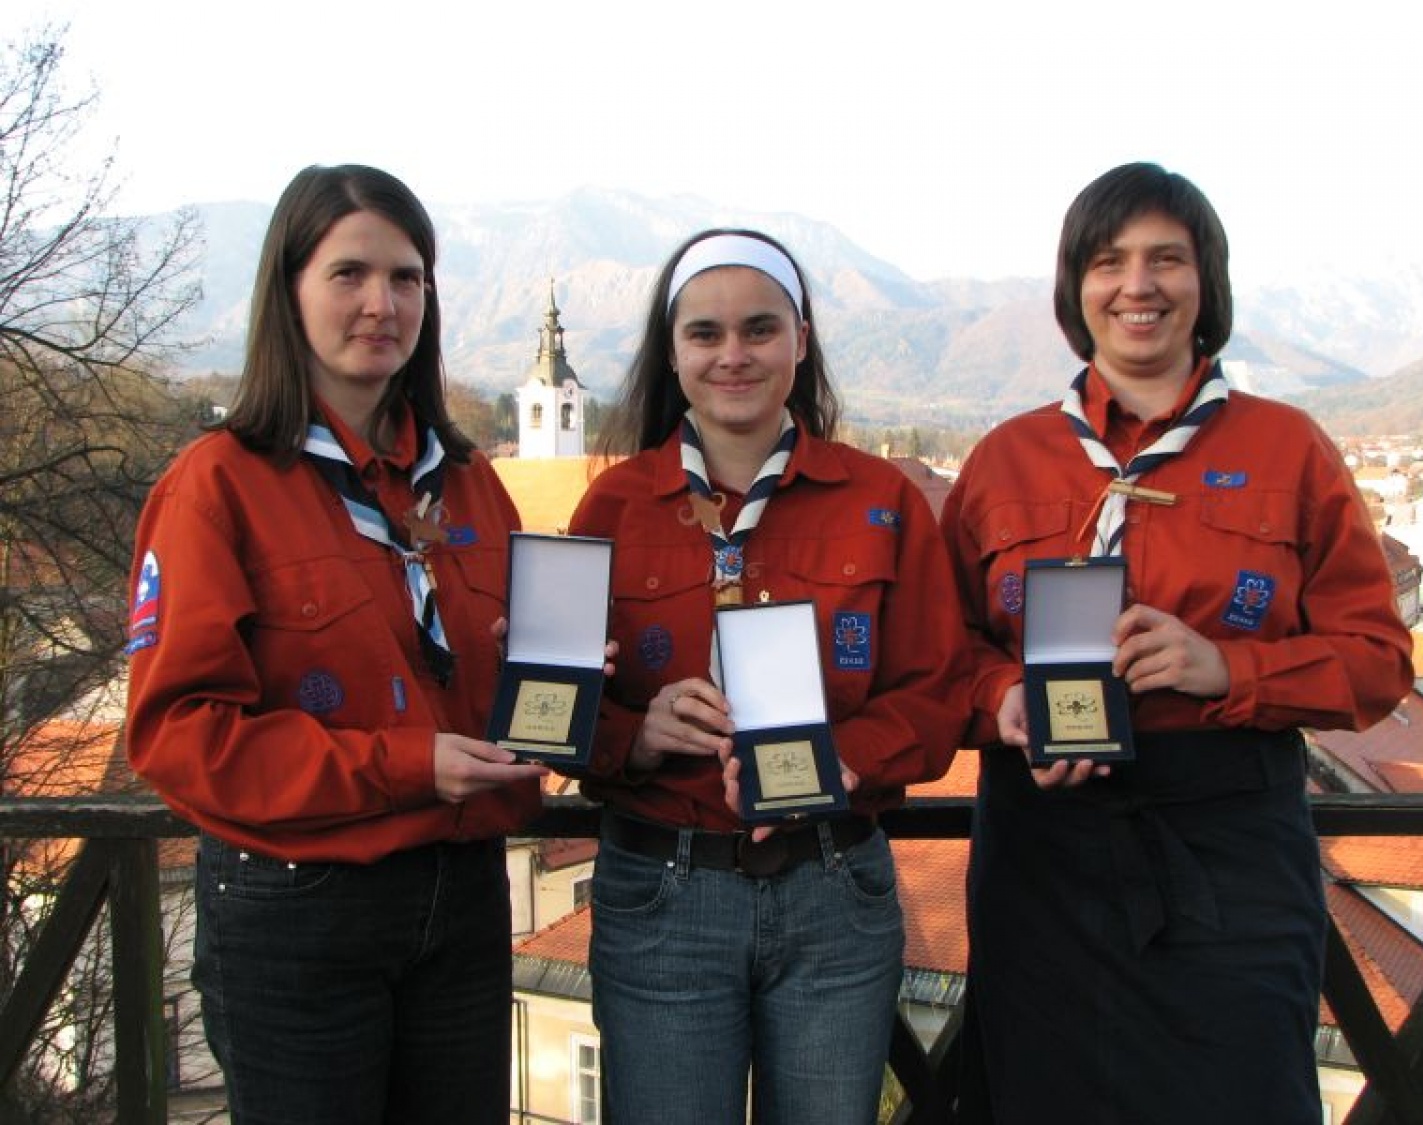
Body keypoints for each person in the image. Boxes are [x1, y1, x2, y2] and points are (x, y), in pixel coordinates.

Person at [940, 162, 1414, 1124]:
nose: (1138, 284)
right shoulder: (1004, 458)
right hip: (1044, 861)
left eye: (1168, 258)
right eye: (1109, 261)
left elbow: (1378, 660)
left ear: (1208, 282)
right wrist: (1000, 700)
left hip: (1228, 854)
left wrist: (1228, 668)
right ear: (1077, 287)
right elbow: (937, 656)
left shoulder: (1289, 449)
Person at [125, 164, 550, 1124]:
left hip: (466, 897)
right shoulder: (218, 486)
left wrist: (560, 684)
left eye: (407, 278)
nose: (381, 304)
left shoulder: (472, 483)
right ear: (289, 290)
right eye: (349, 273)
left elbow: (502, 683)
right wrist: (408, 766)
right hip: (300, 908)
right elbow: (180, 735)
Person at [568, 228, 971, 1125]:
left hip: (833, 887)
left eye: (760, 328)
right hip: (662, 891)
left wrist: (843, 757)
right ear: (672, 353)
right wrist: (634, 733)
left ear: (801, 338)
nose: (734, 355)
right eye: (705, 334)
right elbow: (559, 704)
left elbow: (938, 691)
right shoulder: (613, 505)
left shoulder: (882, 500)